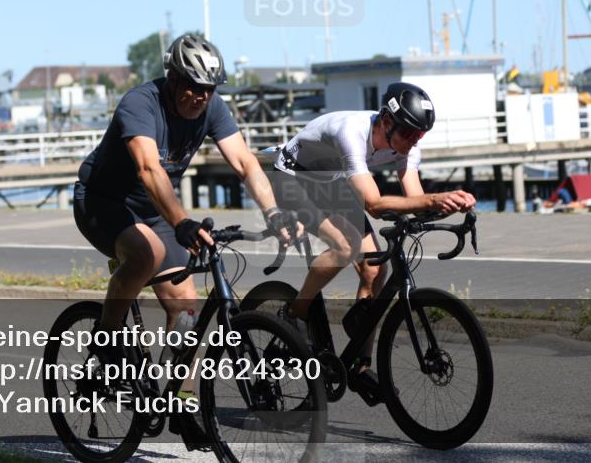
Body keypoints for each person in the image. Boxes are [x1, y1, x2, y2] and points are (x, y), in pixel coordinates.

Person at [73, 34, 299, 446]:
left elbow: (245, 162)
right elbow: (148, 169)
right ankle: (105, 345)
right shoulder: (140, 104)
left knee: (188, 314)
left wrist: (274, 212)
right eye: (193, 86)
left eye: (209, 89)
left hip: (157, 212)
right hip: (103, 202)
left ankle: (182, 401)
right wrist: (181, 221)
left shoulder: (211, 106)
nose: (201, 97)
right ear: (173, 78)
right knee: (146, 254)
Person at [268, 82, 475, 405]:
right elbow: (375, 205)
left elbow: (415, 196)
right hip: (292, 177)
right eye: (409, 134)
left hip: (333, 182)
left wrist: (444, 206)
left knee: (376, 269)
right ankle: (294, 313)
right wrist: (435, 199)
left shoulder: (408, 141)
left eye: (420, 136)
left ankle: (360, 366)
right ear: (387, 122)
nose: (414, 141)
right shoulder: (350, 132)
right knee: (344, 246)